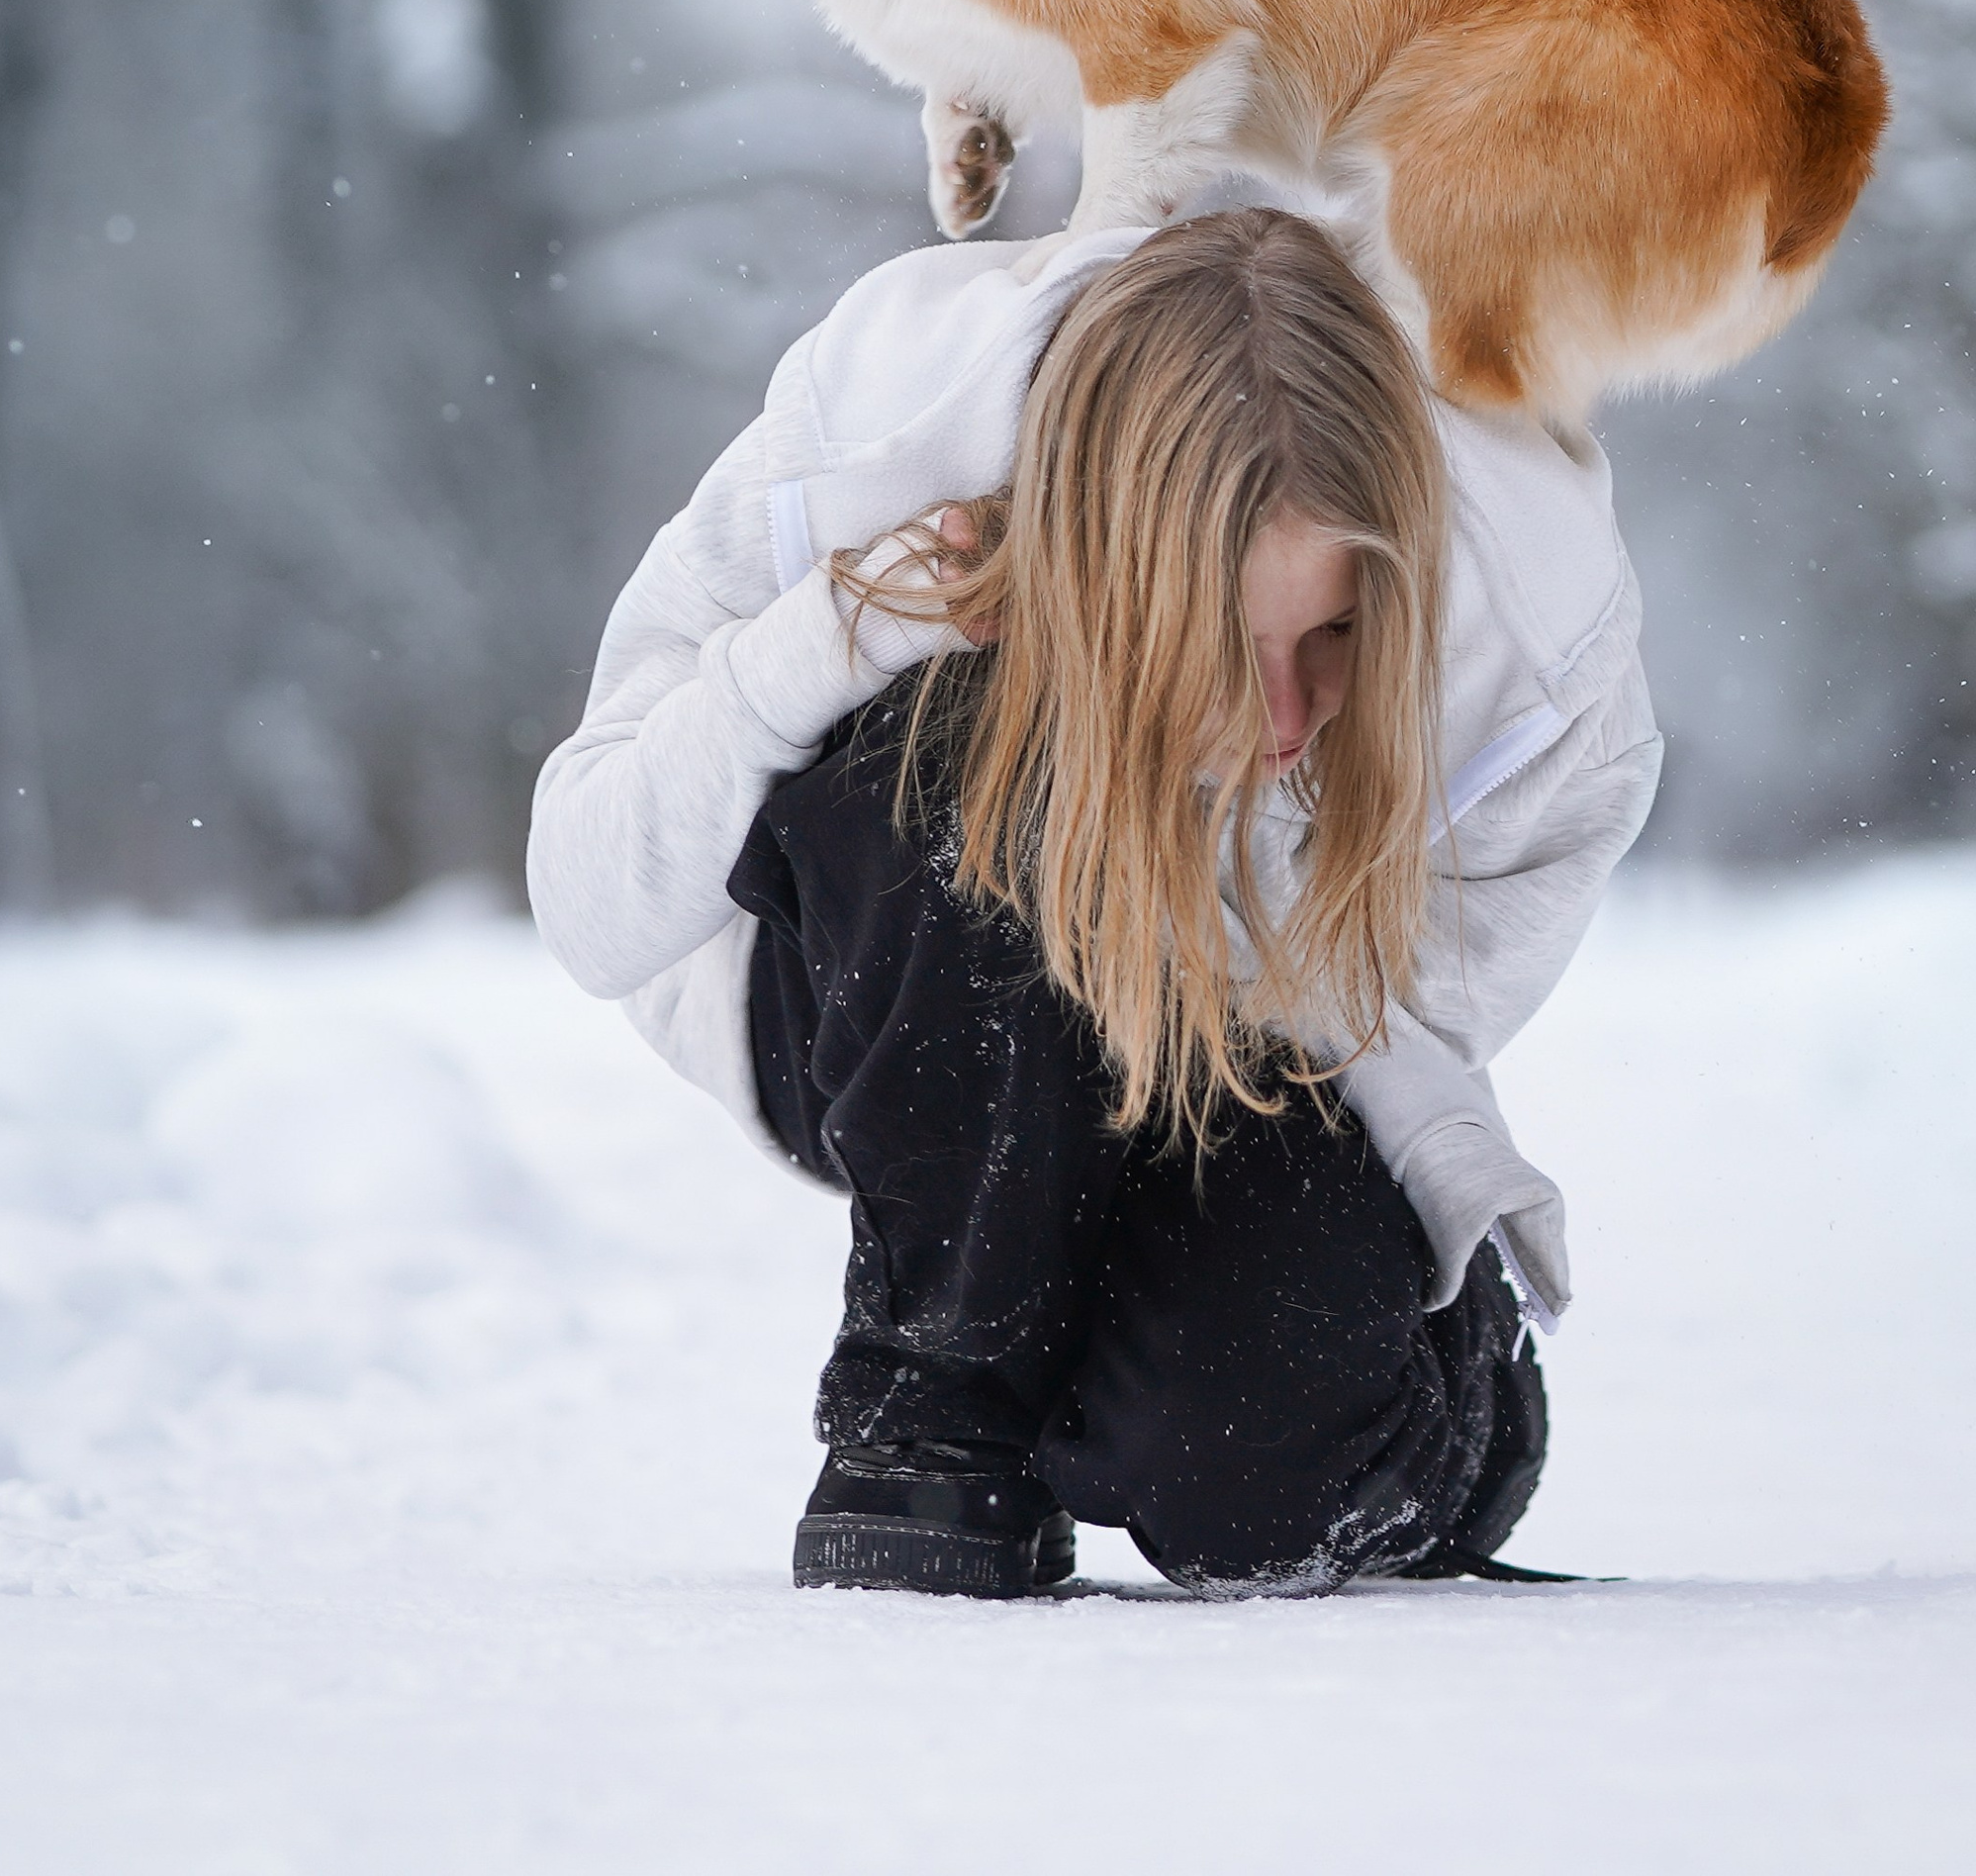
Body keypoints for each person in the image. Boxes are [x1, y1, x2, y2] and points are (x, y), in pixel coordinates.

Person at [527, 206, 1659, 1595]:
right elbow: (591, 908)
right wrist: (826, 642)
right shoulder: (873, 442)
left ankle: (1447, 1411)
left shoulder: (1540, 652)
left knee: (1249, 1472)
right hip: (880, 1011)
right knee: (949, 738)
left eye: (1337, 634)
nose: (1289, 717)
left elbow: (1398, 1025)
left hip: (1251, 1068)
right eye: (1228, 645)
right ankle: (929, 1420)